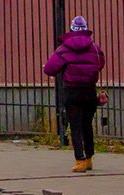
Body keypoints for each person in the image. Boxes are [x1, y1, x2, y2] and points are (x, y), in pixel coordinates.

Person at [43, 15, 106, 172]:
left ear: (72, 30)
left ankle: (80, 161)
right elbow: (100, 63)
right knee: (87, 125)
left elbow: (49, 69)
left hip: (72, 91)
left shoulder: (64, 48)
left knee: (75, 126)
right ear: (86, 30)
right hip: (90, 91)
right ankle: (90, 158)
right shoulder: (95, 48)